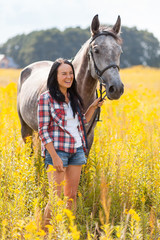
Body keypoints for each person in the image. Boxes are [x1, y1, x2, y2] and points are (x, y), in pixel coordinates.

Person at [37, 58, 105, 229]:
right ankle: (44, 234)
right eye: (64, 73)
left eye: (70, 73)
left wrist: (93, 106)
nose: (68, 77)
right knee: (55, 199)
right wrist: (54, 157)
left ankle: (67, 232)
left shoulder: (73, 97)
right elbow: (43, 131)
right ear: (55, 76)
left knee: (71, 196)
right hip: (57, 152)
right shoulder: (46, 98)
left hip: (77, 150)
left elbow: (81, 121)